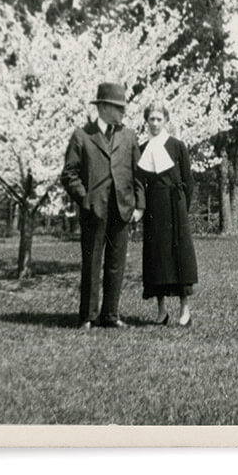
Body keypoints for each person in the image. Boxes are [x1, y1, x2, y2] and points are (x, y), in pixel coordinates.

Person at [60, 82, 145, 330]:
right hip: (93, 211)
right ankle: (88, 316)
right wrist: (85, 200)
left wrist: (138, 205)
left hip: (121, 209)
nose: (123, 113)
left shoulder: (128, 136)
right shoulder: (82, 136)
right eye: (119, 108)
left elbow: (138, 173)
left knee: (116, 264)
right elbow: (69, 174)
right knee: (92, 263)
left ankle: (110, 315)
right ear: (104, 108)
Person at [137, 101, 199, 327]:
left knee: (178, 256)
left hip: (175, 206)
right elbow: (139, 182)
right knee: (157, 257)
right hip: (154, 207)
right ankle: (161, 310)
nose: (154, 123)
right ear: (146, 121)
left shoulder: (177, 146)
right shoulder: (142, 149)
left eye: (158, 119)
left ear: (166, 121)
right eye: (151, 119)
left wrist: (183, 206)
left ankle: (185, 309)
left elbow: (188, 180)